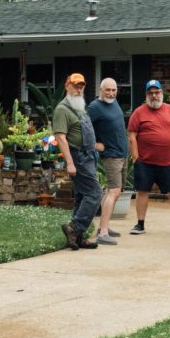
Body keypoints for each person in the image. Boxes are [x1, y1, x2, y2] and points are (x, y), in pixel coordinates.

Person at [127, 79, 170, 235]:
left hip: (169, 161)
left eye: (157, 92)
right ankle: (140, 224)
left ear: (162, 93)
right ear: (147, 95)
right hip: (145, 162)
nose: (154, 96)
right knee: (142, 192)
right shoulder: (138, 112)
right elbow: (132, 135)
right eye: (151, 93)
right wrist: (135, 156)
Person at [54, 73, 102, 251]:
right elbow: (60, 137)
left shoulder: (80, 107)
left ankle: (77, 238)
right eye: (75, 86)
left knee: (82, 196)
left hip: (89, 157)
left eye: (81, 86)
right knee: (95, 193)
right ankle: (74, 228)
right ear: (67, 86)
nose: (79, 89)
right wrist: (70, 163)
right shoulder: (62, 110)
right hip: (78, 158)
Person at [87, 77, 129, 246]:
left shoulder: (114, 103)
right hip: (111, 155)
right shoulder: (95, 107)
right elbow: (81, 128)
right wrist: (95, 145)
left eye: (114, 90)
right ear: (100, 90)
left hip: (121, 154)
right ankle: (102, 233)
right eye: (108, 90)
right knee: (113, 191)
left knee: (113, 192)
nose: (111, 93)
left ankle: (104, 227)